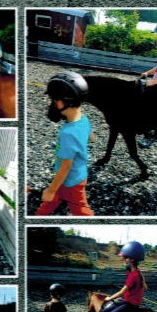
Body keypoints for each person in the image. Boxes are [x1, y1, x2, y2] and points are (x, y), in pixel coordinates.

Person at [36, 71, 95, 216]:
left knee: (82, 211)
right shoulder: (84, 119)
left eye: (55, 100)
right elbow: (91, 138)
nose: (53, 103)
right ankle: (41, 214)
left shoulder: (67, 133)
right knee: (47, 206)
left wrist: (50, 190)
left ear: (65, 101)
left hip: (71, 182)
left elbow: (65, 167)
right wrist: (72, 147)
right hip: (71, 177)